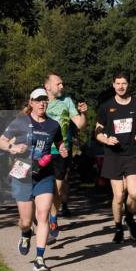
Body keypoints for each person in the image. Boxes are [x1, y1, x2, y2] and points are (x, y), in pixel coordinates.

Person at [0, 88, 68, 271]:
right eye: (38, 100)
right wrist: (11, 147)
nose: (42, 103)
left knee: (43, 216)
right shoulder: (20, 122)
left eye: (45, 100)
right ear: (31, 103)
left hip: (44, 174)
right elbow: (0, 141)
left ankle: (40, 259)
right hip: (22, 174)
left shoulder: (53, 125)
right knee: (26, 221)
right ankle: (26, 233)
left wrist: (62, 149)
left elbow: (59, 142)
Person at [94, 72, 136, 244]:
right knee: (118, 196)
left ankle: (130, 219)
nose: (120, 86)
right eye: (117, 83)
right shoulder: (106, 106)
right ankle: (118, 227)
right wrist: (106, 140)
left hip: (132, 154)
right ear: (113, 85)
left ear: (128, 84)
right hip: (113, 155)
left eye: (123, 83)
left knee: (134, 193)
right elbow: (97, 131)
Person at [44, 72, 88, 232]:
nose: (62, 86)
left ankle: (53, 218)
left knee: (56, 190)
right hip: (41, 151)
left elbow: (80, 125)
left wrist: (83, 113)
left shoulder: (67, 101)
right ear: (47, 86)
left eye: (62, 83)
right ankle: (41, 218)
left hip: (61, 151)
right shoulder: (39, 101)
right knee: (41, 190)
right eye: (58, 84)